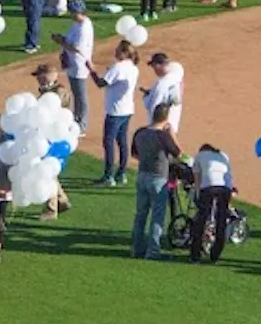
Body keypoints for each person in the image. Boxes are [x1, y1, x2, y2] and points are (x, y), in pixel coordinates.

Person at [129, 104, 180, 261]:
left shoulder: (140, 132)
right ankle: (153, 251)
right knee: (157, 217)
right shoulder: (163, 136)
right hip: (158, 178)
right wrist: (172, 134)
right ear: (166, 118)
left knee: (140, 214)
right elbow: (178, 153)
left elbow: (134, 154)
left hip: (142, 175)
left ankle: (137, 248)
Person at [88, 41, 140, 187]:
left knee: (108, 142)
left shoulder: (118, 67)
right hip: (127, 109)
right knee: (122, 142)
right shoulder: (133, 68)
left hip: (115, 111)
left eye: (118, 50)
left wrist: (91, 70)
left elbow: (100, 83)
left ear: (124, 52)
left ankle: (108, 176)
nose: (115, 52)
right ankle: (121, 173)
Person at [190, 144, 234, 264]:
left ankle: (195, 254)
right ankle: (215, 255)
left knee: (201, 220)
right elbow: (229, 176)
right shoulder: (223, 155)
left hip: (208, 188)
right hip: (225, 189)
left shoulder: (199, 156)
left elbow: (197, 178)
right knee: (221, 221)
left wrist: (198, 196)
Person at [54, 1, 94, 135]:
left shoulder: (84, 27)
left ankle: (82, 125)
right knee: (76, 94)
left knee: (80, 96)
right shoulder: (78, 23)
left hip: (80, 65)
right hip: (73, 63)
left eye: (73, 12)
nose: (72, 14)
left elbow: (76, 48)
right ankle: (76, 120)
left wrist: (61, 41)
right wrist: (62, 38)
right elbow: (70, 40)